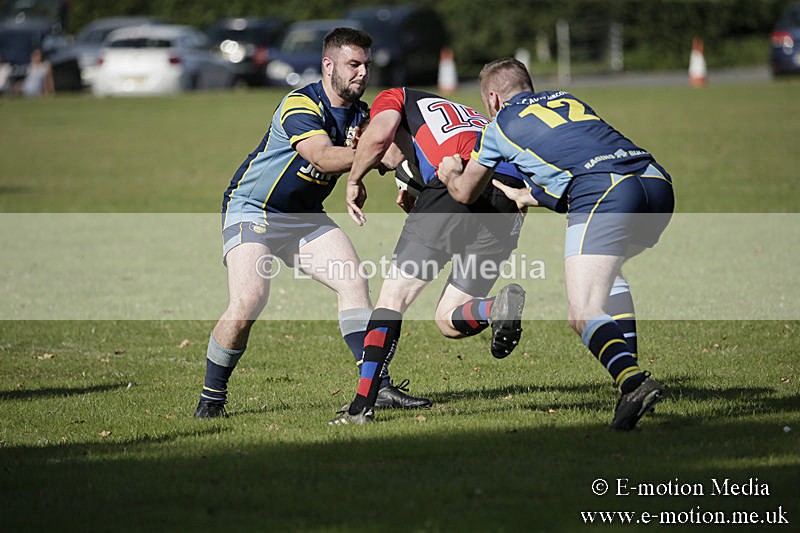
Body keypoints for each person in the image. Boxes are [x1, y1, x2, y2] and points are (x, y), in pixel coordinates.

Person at [193, 28, 430, 418]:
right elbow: (321, 157)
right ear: (328, 65)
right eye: (353, 64)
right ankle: (212, 398)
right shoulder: (300, 104)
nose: (362, 74)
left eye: (366, 65)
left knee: (353, 280)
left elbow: (393, 153)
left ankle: (379, 385)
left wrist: (414, 176)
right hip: (253, 207)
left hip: (303, 215)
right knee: (249, 300)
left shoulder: (363, 113)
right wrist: (367, 157)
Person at [439, 58, 674, 431]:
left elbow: (466, 191)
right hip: (655, 183)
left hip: (607, 192)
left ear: (493, 98)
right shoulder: (568, 99)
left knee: (582, 311)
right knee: (609, 277)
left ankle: (633, 382)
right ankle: (628, 384)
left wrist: (450, 170)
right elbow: (576, 161)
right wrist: (529, 195)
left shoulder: (499, 125)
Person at [329, 87, 527, 425]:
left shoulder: (394, 97)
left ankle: (361, 407)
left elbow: (378, 138)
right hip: (507, 197)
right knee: (448, 320)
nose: (379, 165)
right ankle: (494, 308)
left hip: (459, 180)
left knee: (393, 296)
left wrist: (355, 178)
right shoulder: (457, 115)